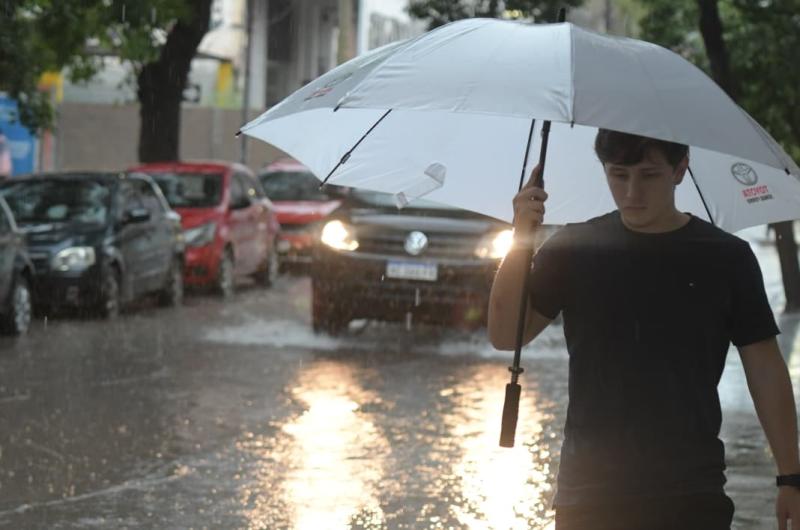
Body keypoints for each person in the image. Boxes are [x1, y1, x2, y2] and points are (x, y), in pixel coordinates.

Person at [488, 129, 800, 530]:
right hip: (590, 493)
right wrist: (520, 238)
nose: (632, 193)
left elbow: (766, 369)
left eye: (649, 175)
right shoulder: (574, 249)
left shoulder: (726, 258)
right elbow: (505, 334)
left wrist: (790, 477)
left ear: (680, 169)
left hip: (691, 494)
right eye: (619, 175)